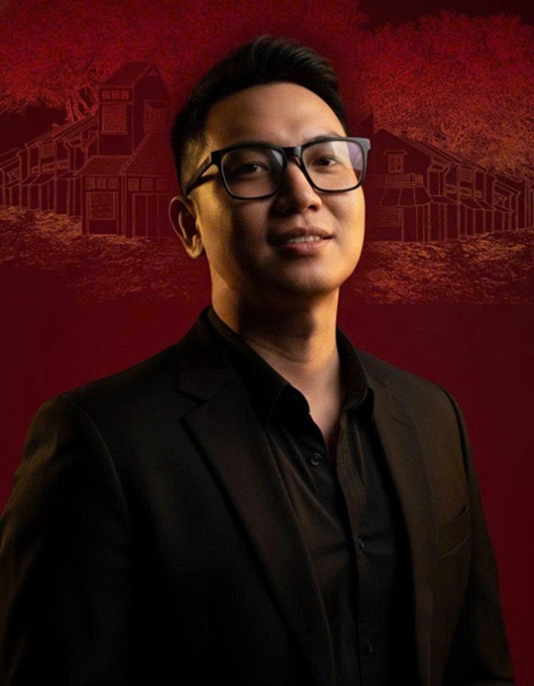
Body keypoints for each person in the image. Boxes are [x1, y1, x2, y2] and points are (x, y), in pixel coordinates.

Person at [0, 36, 514, 686]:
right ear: (189, 226)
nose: (302, 193)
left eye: (325, 159)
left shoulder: (434, 419)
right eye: (250, 168)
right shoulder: (100, 442)